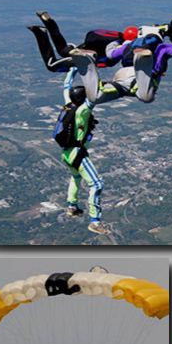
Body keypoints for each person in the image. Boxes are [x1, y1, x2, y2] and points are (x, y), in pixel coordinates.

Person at [56, 85, 107, 235]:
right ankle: (95, 221)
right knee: (97, 184)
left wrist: (72, 70)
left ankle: (72, 206)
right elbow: (94, 99)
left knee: (76, 177)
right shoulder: (83, 111)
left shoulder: (68, 106)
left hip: (66, 154)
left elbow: (66, 88)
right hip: (77, 154)